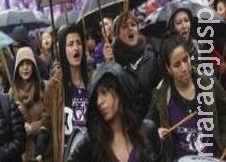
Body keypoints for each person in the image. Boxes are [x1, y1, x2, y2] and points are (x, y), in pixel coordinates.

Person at [147, 32, 226, 161]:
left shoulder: (207, 82)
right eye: (177, 65)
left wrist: (224, 142)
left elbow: (224, 110)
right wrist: (157, 133)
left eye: (185, 59)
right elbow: (148, 129)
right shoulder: (161, 94)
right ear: (168, 68)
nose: (184, 68)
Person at [67, 61, 161, 162]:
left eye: (104, 92)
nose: (99, 102)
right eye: (96, 97)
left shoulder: (146, 131)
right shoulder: (92, 141)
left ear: (120, 91)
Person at [36, 25, 89, 162]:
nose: (76, 48)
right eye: (70, 44)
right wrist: (41, 142)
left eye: (78, 43)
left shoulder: (93, 80)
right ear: (63, 51)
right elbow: (47, 118)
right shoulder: (54, 86)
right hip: (67, 155)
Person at [109, 11, 161, 121]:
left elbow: (159, 95)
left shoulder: (152, 56)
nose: (130, 29)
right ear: (117, 34)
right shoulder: (114, 63)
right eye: (124, 27)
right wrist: (108, 65)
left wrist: (147, 124)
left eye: (133, 25)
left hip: (152, 126)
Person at [10, 47, 44, 162]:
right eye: (21, 64)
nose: (25, 68)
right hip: (21, 153)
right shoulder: (12, 93)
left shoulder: (42, 88)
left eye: (28, 64)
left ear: (33, 66)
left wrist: (33, 128)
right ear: (17, 68)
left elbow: (50, 120)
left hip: (41, 151)